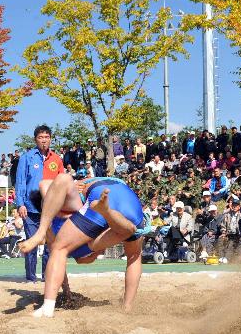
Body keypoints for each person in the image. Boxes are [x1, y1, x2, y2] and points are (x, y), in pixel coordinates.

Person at [19, 174, 147, 317]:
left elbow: (61, 256)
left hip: (96, 206)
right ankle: (127, 307)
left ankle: (48, 308)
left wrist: (66, 290)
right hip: (129, 202)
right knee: (134, 254)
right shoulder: (74, 192)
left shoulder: (56, 218)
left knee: (61, 249)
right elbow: (46, 184)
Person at [14, 125, 64, 283]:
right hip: (30, 208)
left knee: (51, 244)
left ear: (50, 139)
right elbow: (20, 182)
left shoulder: (56, 159)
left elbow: (62, 182)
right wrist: (20, 203)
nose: (44, 140)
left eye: (46, 137)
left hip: (51, 209)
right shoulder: (26, 157)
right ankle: (31, 277)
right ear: (36, 140)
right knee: (32, 243)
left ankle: (46, 276)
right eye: (41, 137)